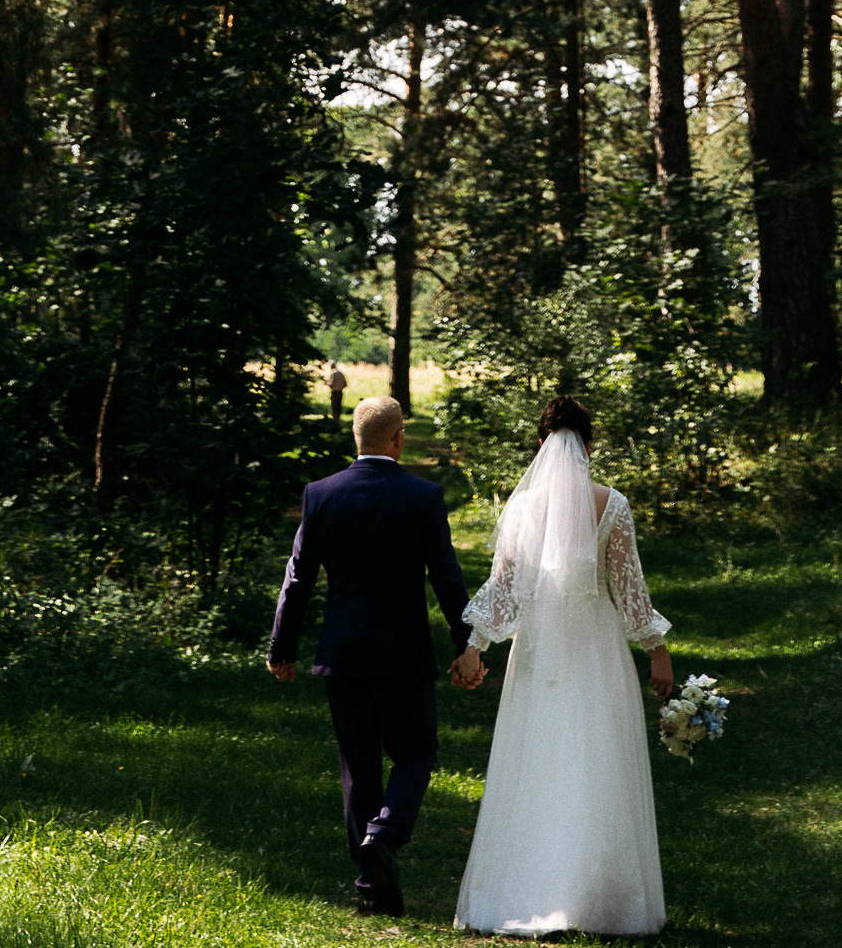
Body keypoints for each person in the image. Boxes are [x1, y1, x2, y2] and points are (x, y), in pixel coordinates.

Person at [451, 396, 675, 938]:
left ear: (541, 444)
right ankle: (596, 896)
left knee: (539, 756)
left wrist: (475, 644)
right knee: (596, 757)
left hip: (538, 652)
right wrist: (658, 651)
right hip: (596, 650)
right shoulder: (612, 505)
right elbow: (629, 590)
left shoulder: (524, 508)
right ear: (589, 444)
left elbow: (504, 589)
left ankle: (536, 888)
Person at [267, 391, 475, 917]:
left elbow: (297, 580)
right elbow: (446, 577)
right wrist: (466, 642)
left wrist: (281, 646)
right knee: (416, 750)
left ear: (354, 439)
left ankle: (372, 890)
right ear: (399, 439)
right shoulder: (423, 497)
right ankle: (385, 833)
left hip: (343, 654)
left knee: (359, 765)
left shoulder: (321, 494)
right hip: (403, 652)